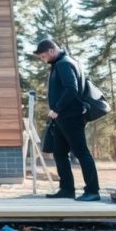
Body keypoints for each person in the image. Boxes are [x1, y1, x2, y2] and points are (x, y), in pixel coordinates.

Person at [34, 38, 100, 202]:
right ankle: (66, 189)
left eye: (43, 57)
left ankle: (92, 191)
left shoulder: (64, 63)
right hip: (63, 118)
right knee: (60, 153)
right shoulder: (61, 64)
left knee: (81, 152)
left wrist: (56, 109)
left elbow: (72, 89)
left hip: (71, 116)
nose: (43, 60)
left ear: (51, 51)